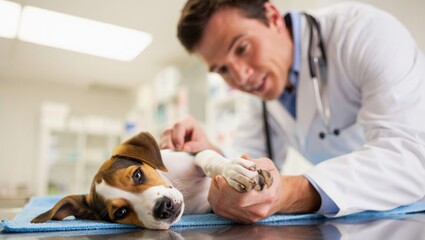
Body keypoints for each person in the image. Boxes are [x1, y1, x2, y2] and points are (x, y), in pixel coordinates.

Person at [160, 0, 425, 223]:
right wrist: (213, 160)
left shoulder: (364, 32)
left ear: (272, 16)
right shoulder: (258, 93)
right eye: (223, 70)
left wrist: (290, 191)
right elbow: (251, 169)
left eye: (242, 48)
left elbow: (411, 158)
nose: (240, 77)